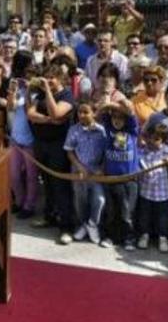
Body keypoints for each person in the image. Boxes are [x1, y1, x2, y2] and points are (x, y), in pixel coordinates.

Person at [27, 65, 76, 245]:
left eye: (51, 78)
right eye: (45, 77)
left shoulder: (67, 96)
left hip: (59, 146)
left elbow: (57, 112)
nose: (47, 81)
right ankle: (49, 217)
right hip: (42, 143)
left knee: (60, 185)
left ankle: (66, 226)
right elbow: (31, 114)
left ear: (61, 79)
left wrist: (47, 91)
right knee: (47, 182)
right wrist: (48, 120)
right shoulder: (39, 95)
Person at [63, 102, 107, 245]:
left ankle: (92, 224)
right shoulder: (73, 130)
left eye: (86, 112)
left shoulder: (102, 131)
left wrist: (102, 167)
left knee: (99, 200)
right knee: (80, 200)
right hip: (79, 171)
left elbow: (108, 152)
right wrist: (79, 167)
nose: (81, 115)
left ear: (94, 113)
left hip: (96, 172)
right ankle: (83, 224)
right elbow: (69, 151)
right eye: (79, 112)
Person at [100, 101, 140, 250]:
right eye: (114, 117)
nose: (117, 120)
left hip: (129, 180)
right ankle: (111, 237)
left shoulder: (132, 132)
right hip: (111, 179)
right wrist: (110, 104)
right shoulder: (108, 130)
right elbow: (101, 112)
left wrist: (123, 106)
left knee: (127, 213)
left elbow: (131, 114)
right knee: (111, 212)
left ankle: (129, 238)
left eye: (121, 118)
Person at [7, 51, 38, 219]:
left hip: (31, 139)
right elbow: (10, 107)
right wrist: (12, 92)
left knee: (32, 176)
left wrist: (28, 89)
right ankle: (19, 201)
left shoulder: (35, 85)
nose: (31, 68)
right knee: (14, 175)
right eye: (29, 65)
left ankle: (29, 205)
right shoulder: (14, 83)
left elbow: (31, 110)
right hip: (16, 136)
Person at [136, 124, 168, 253]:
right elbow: (139, 162)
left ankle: (163, 237)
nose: (153, 141)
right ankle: (144, 235)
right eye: (150, 138)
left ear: (163, 139)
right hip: (146, 190)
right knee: (144, 215)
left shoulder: (166, 150)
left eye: (157, 139)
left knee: (162, 216)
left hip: (162, 191)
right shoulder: (144, 150)